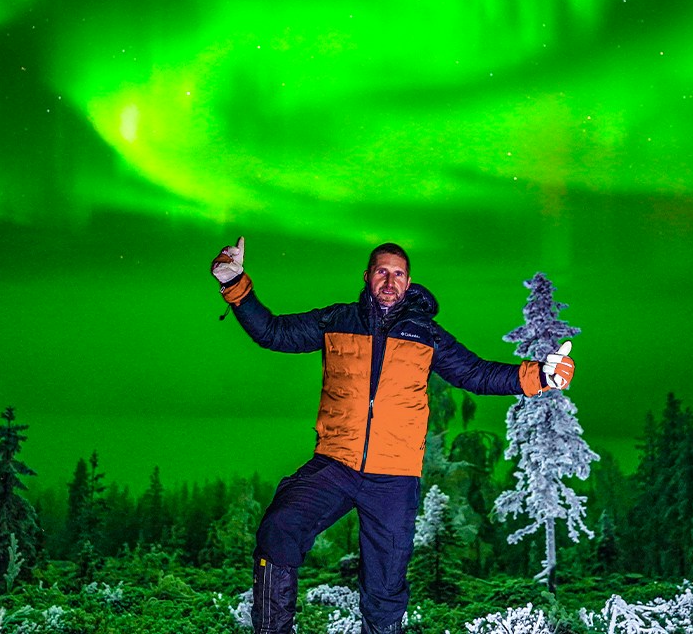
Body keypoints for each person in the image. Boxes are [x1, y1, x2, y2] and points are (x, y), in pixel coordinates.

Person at [210, 236, 576, 634]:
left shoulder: (426, 335)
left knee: (384, 589)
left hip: (394, 477)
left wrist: (540, 374)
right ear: (367, 276)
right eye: (382, 271)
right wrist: (235, 284)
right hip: (335, 463)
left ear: (409, 281)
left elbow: (476, 373)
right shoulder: (337, 320)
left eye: (398, 273)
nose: (390, 280)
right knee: (279, 528)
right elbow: (274, 333)